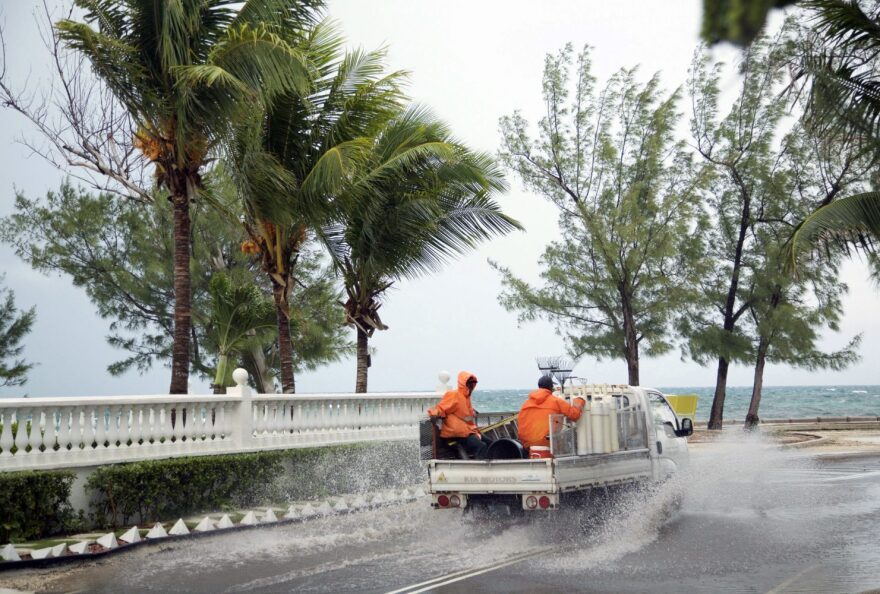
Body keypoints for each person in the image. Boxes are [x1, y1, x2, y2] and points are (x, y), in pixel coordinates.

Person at [428, 371, 492, 459]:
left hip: (468, 431)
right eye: (469, 382)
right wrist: (434, 414)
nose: (471, 385)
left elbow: (463, 414)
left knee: (491, 444)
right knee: (481, 446)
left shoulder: (466, 397)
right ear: (463, 383)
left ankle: (493, 465)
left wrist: (472, 412)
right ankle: (480, 469)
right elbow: (440, 408)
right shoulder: (454, 395)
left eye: (473, 383)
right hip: (456, 434)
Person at [517, 375, 585, 452]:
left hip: (527, 444)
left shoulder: (526, 403)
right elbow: (574, 415)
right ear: (551, 387)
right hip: (547, 443)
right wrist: (579, 401)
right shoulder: (556, 401)